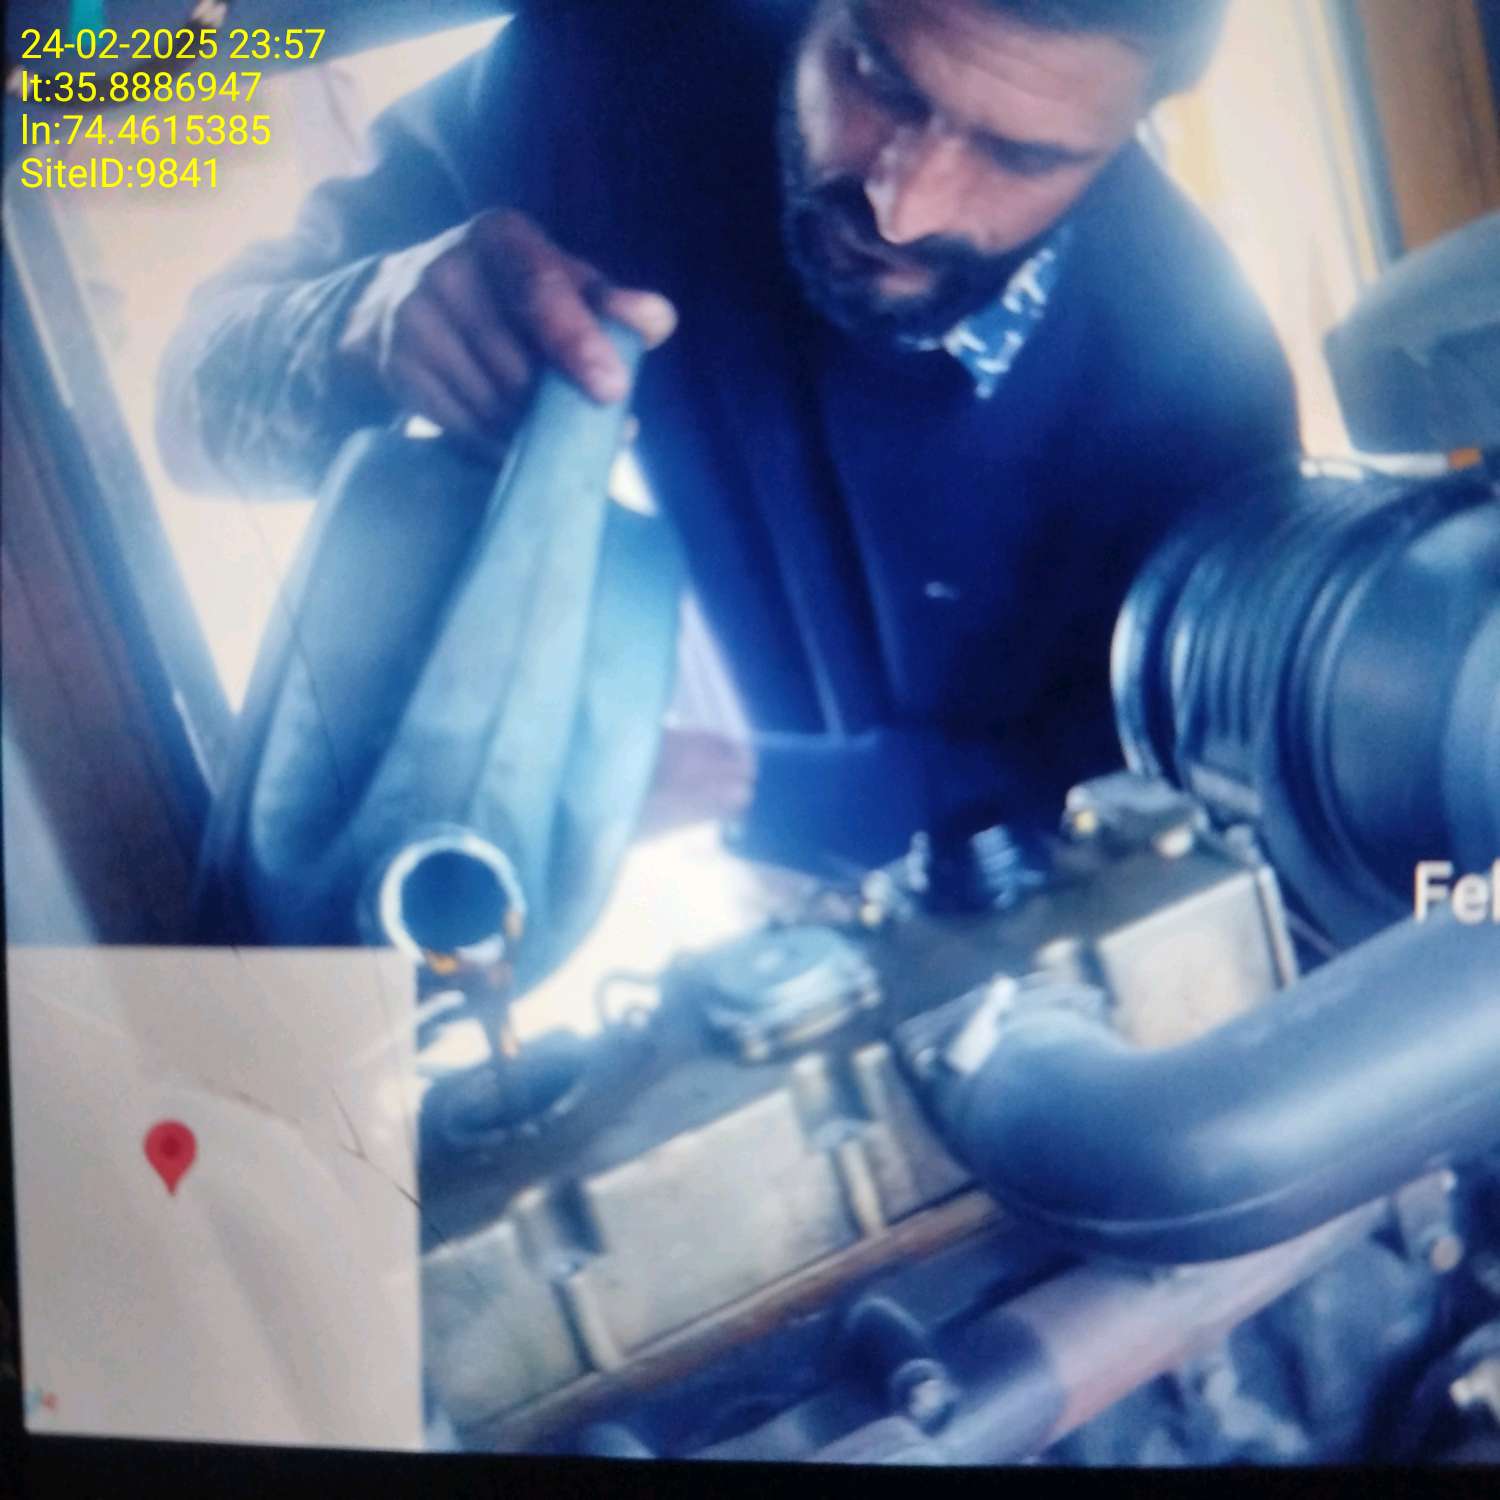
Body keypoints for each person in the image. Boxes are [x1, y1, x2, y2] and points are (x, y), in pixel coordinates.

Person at [156, 0, 1299, 875]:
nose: (903, 205)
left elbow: (1205, 804)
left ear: (1132, 124)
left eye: (1021, 156)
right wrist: (356, 324)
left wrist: (756, 789)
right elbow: (186, 413)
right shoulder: (604, 74)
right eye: (877, 79)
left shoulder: (1205, 385)